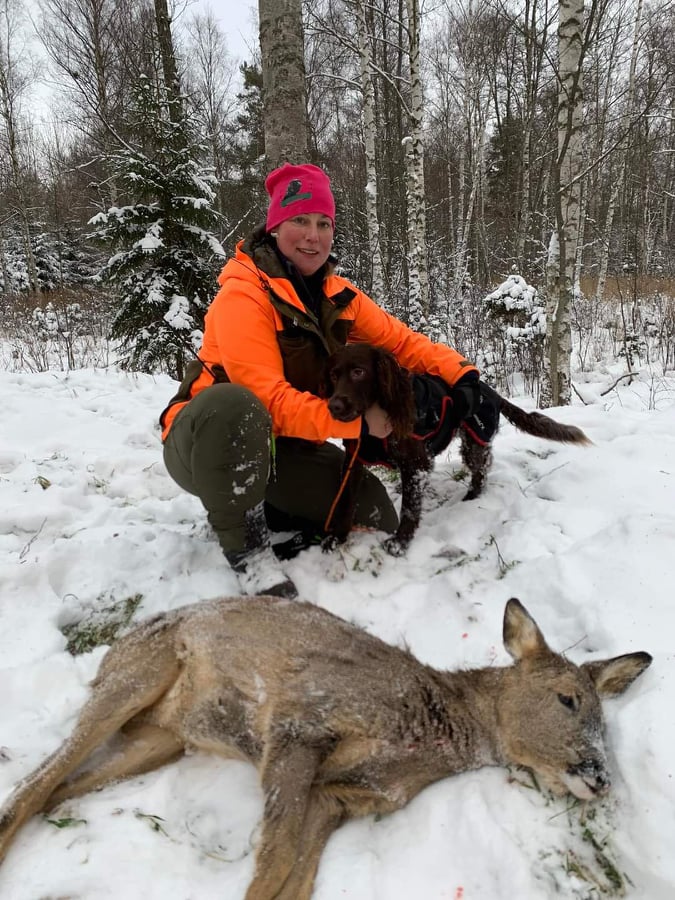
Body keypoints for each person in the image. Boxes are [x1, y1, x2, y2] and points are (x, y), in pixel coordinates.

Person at [160, 162, 484, 599]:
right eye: (300, 220)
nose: (313, 236)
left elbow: (401, 342)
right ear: (275, 227)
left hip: (284, 447)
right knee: (236, 404)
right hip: (207, 443)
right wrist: (359, 424)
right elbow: (268, 400)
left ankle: (266, 504)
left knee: (374, 513)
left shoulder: (337, 294)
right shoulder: (244, 294)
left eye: (323, 223)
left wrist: (462, 375)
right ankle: (249, 551)